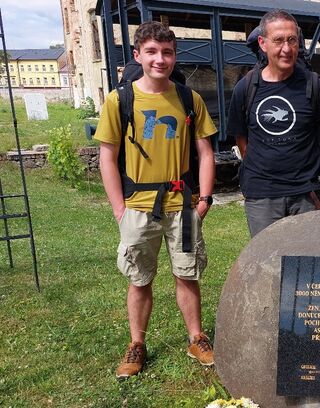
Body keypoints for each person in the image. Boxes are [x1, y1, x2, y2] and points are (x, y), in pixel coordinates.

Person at [95, 21, 218, 379]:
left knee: (187, 273)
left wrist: (205, 198)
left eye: (166, 52)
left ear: (174, 55)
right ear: (137, 55)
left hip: (181, 207)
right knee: (139, 278)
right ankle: (137, 344)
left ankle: (196, 337)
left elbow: (205, 151)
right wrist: (119, 208)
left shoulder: (187, 98)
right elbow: (107, 156)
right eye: (151, 51)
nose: (159, 59)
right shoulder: (120, 100)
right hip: (138, 207)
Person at [227, 10, 320, 237]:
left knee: (308, 262)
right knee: (267, 262)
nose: (286, 49)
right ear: (263, 43)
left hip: (306, 193)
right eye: (278, 40)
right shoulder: (245, 88)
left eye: (292, 40)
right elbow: (242, 141)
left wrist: (305, 174)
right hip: (262, 195)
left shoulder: (315, 86)